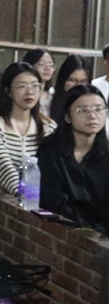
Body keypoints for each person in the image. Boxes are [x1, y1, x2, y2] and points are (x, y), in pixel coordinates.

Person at [37, 84, 109, 233]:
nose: (92, 116)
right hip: (59, 230)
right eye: (83, 110)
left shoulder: (106, 153)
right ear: (67, 116)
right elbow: (51, 200)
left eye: (98, 109)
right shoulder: (49, 149)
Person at [0, 62, 56, 196]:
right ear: (8, 91)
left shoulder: (49, 127)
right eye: (22, 86)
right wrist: (28, 196)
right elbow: (4, 167)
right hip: (4, 201)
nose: (30, 92)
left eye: (35, 86)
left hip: (41, 200)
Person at [48, 54, 91, 123]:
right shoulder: (49, 102)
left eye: (83, 81)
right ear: (63, 80)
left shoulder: (93, 106)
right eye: (72, 80)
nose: (78, 85)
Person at [22, 48, 56, 115]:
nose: (47, 68)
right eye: (42, 64)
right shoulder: (22, 94)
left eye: (51, 65)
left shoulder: (53, 97)